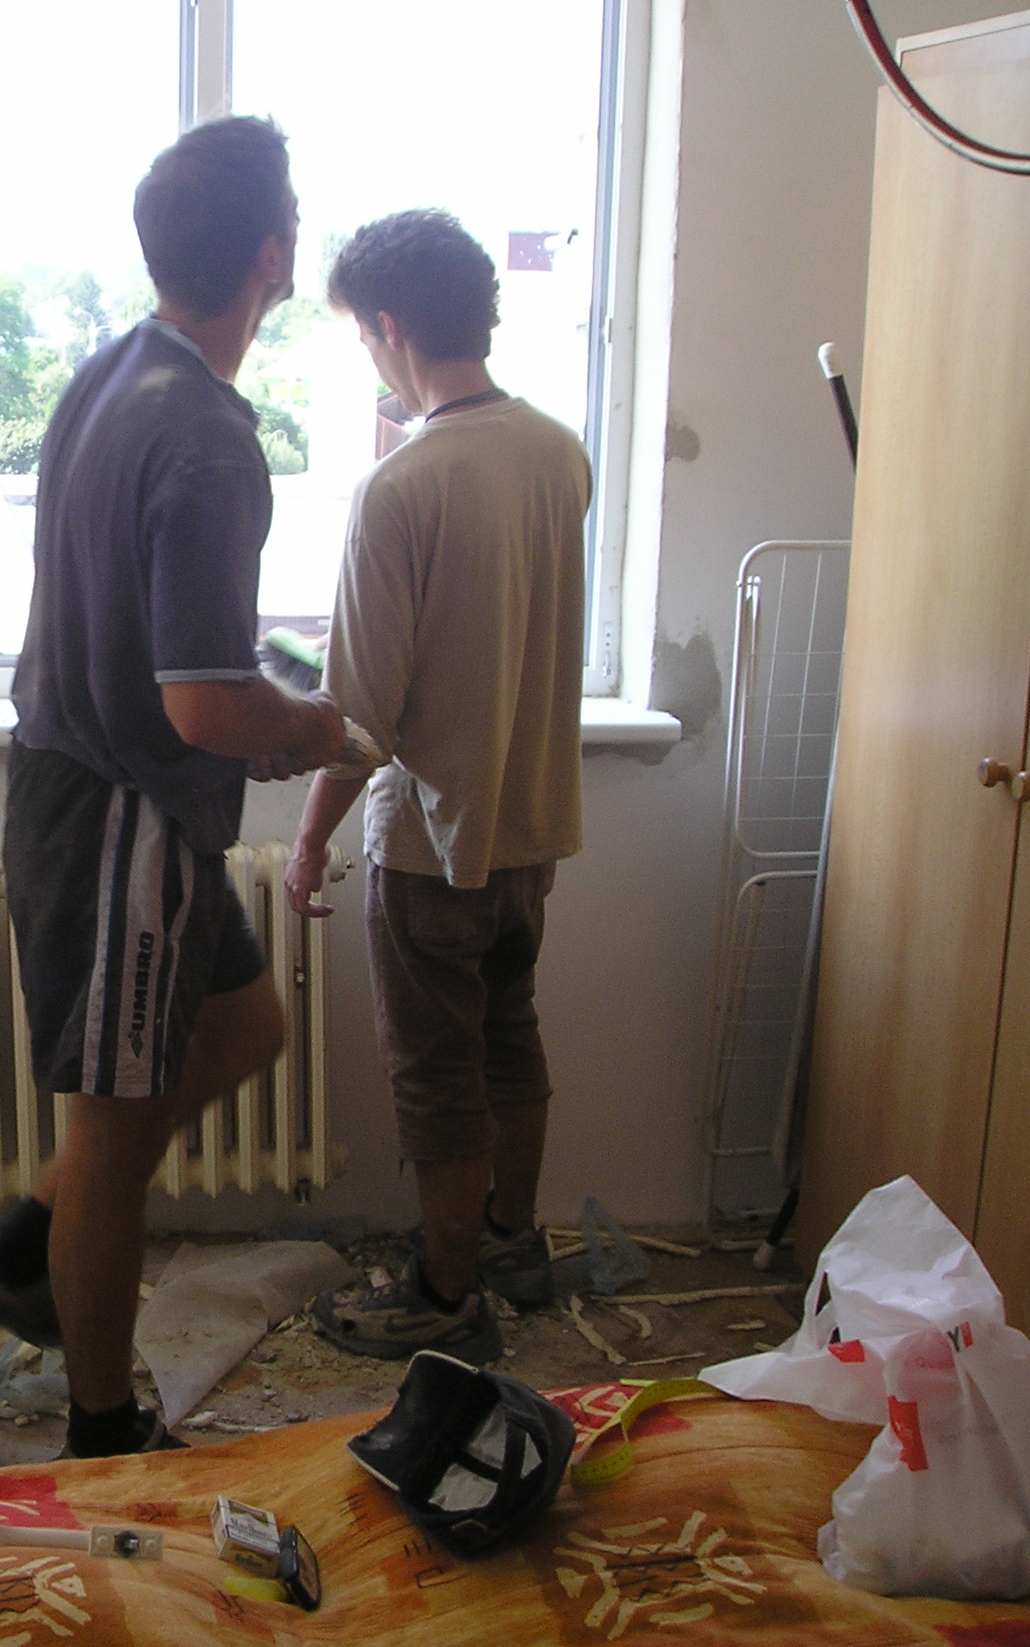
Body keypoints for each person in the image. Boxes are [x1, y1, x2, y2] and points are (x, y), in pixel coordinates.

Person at [0, 116, 344, 1459]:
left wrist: (250, 695)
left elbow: (156, 633)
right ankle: (104, 1430)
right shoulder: (211, 436)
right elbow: (204, 707)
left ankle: (30, 1238)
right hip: (121, 816)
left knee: (246, 1029)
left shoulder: (114, 371)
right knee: (112, 1140)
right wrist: (314, 727)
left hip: (97, 785)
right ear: (271, 256)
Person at [288, 209, 589, 1365]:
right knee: (509, 1035)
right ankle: (511, 1242)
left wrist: (309, 839)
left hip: (432, 839)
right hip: (529, 825)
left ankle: (445, 1293)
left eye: (362, 336)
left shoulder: (401, 485)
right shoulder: (556, 452)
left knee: (435, 1075)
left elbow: (359, 713)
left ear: (388, 326)